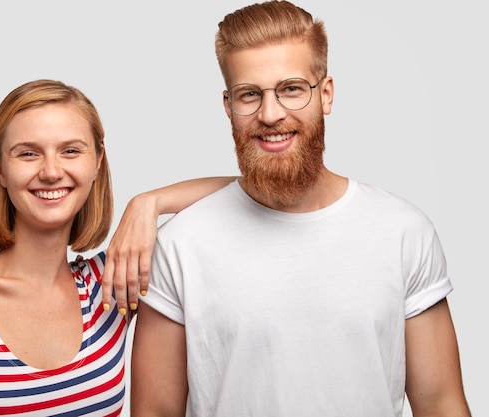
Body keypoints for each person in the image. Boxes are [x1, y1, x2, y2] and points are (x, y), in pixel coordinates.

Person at [130, 2, 472, 416]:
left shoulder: (403, 232)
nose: (271, 114)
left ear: (325, 94)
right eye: (250, 94)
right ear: (228, 106)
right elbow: (155, 413)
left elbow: (440, 403)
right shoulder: (179, 246)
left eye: (291, 88)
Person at [0, 79, 233, 416]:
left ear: (97, 161)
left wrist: (149, 202)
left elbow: (247, 193)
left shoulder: (110, 284)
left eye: (70, 151)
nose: (51, 171)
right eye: (28, 153)